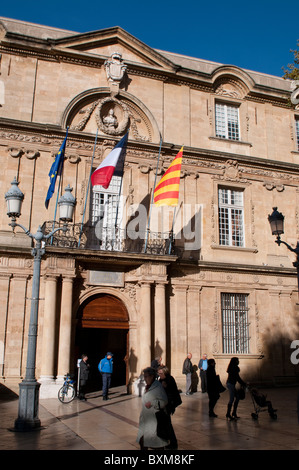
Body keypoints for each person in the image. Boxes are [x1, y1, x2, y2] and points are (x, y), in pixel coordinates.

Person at [137, 367, 169, 450]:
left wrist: (153, 403)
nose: (145, 378)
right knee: (143, 441)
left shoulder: (158, 387)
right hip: (146, 419)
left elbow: (164, 401)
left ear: (152, 376)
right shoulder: (148, 386)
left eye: (146, 376)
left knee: (156, 444)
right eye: (144, 376)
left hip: (154, 420)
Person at [157, 366, 182, 449]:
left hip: (167, 406)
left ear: (165, 373)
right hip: (162, 405)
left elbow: (172, 393)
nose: (159, 374)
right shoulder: (161, 380)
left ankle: (173, 443)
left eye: (161, 373)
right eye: (159, 373)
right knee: (164, 425)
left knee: (167, 425)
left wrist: (165, 387)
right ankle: (167, 441)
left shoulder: (169, 379)